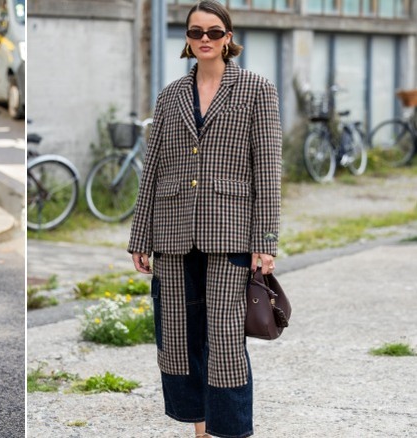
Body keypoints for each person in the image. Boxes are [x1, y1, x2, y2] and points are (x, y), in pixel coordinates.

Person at [128, 1, 281, 437]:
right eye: (197, 33)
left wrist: (265, 241)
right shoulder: (170, 95)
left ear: (228, 37)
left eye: (214, 32)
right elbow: (153, 167)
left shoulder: (256, 89)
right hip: (173, 236)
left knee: (226, 342)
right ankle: (200, 430)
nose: (206, 40)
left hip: (231, 233)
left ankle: (227, 430)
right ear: (188, 40)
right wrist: (140, 236)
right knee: (176, 339)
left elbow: (267, 168)